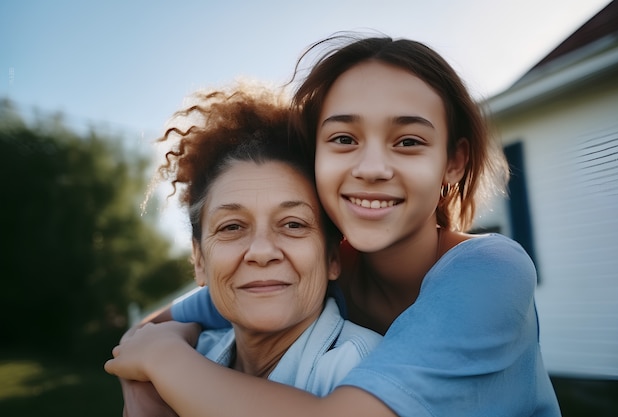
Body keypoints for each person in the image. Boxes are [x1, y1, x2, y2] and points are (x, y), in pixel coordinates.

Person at [105, 34, 561, 416]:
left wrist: (165, 364)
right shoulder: (316, 264)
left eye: (408, 141)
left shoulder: (489, 271)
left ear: (454, 163)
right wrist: (144, 380)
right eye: (344, 138)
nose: (372, 167)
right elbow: (151, 328)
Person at [109, 83, 381, 415]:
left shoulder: (365, 370)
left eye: (293, 224)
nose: (262, 251)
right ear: (199, 261)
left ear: (332, 257)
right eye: (232, 227)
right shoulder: (189, 356)